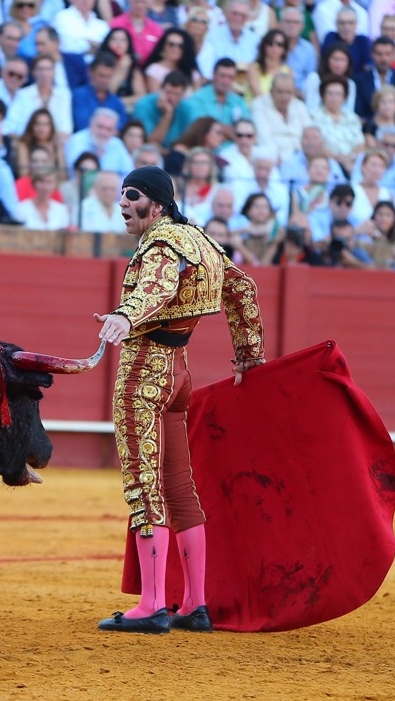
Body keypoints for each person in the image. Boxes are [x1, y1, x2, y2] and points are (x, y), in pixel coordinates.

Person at [94, 165, 264, 635]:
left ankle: (152, 604)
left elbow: (159, 285)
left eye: (132, 195)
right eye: (121, 195)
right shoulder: (200, 240)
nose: (123, 203)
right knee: (179, 487)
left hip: (144, 374)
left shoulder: (163, 245)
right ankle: (194, 603)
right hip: (178, 372)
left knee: (144, 483)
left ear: (157, 204)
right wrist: (248, 354)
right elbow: (243, 289)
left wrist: (126, 316)